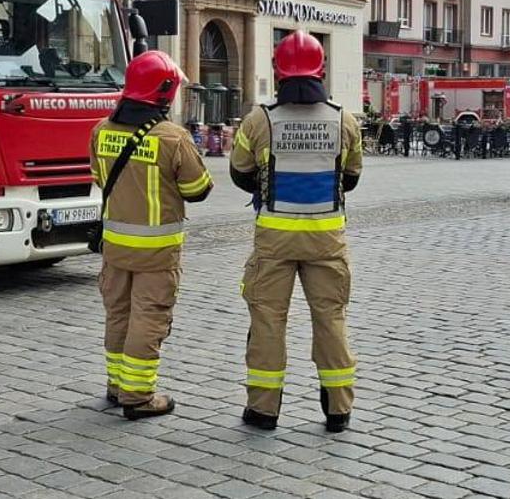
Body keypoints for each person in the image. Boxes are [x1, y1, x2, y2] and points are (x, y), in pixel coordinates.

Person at [229, 30, 363, 433]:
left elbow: (239, 172)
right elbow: (352, 177)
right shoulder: (344, 119)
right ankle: (338, 409)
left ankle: (263, 410)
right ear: (321, 69)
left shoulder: (259, 119)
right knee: (331, 318)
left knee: (268, 319)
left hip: (274, 240)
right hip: (327, 238)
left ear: (278, 69)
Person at [90, 50, 213, 420]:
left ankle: (116, 385)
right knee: (149, 317)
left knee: (118, 313)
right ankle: (139, 396)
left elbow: (99, 178)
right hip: (157, 251)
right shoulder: (172, 138)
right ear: (163, 93)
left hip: (114, 247)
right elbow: (199, 188)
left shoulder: (101, 131)